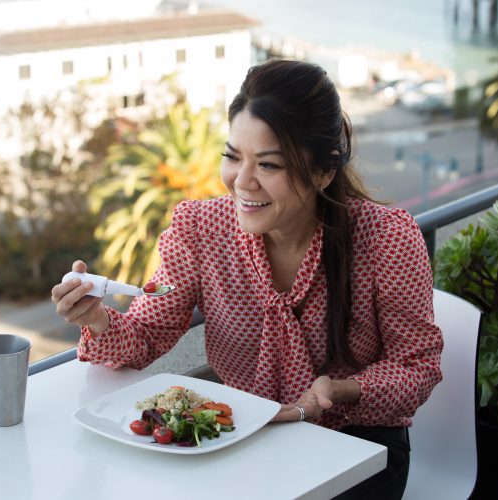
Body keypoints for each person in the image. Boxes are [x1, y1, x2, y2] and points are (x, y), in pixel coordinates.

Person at [52, 59, 443, 500]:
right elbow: (145, 333)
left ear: (323, 171)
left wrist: (341, 391)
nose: (242, 182)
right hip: (241, 439)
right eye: (232, 157)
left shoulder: (387, 238)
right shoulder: (199, 230)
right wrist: (99, 319)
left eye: (269, 165)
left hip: (357, 449)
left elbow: (417, 367)